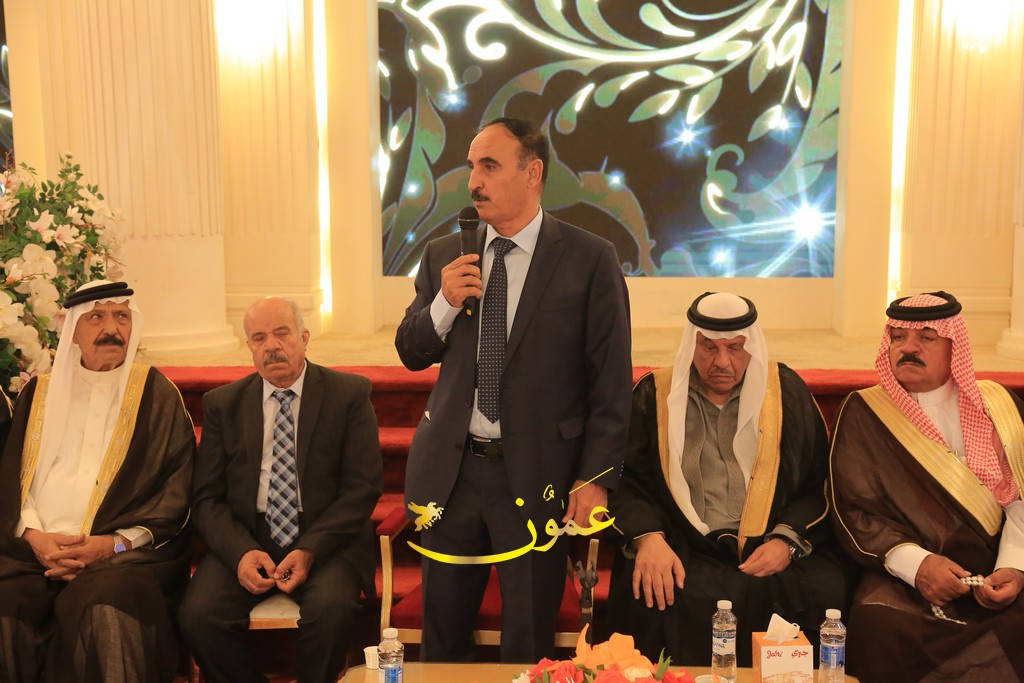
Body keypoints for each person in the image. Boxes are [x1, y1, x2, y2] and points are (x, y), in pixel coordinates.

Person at [395, 117, 633, 662]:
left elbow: (611, 383)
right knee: (441, 638)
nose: (473, 181)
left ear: (533, 173)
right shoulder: (444, 255)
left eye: (489, 166)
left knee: (528, 640)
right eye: (471, 166)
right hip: (451, 475)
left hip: (537, 474)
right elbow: (411, 352)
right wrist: (444, 303)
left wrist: (594, 478)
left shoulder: (589, 259)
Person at [606, 292, 856, 667]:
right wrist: (648, 538)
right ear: (692, 345)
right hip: (685, 546)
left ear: (750, 346)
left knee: (825, 587)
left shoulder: (784, 393)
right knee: (652, 589)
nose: (722, 362)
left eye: (735, 348)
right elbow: (626, 480)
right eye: (709, 347)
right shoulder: (655, 396)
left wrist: (786, 542)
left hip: (769, 543)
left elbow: (819, 483)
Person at [0, 279, 196, 682]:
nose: (112, 328)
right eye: (96, 318)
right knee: (6, 603)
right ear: (72, 330)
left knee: (107, 607)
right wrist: (35, 538)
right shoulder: (38, 393)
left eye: (121, 316)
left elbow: (174, 496)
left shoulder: (157, 394)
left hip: (124, 559)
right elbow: (12, 482)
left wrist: (111, 545)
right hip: (34, 554)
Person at [181, 296, 382, 683]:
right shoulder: (224, 404)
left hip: (325, 537)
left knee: (331, 611)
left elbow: (363, 487)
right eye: (259, 338)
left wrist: (309, 550)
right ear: (249, 347)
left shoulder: (348, 395)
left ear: (304, 337)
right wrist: (241, 552)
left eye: (281, 333)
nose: (271, 346)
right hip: (248, 534)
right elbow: (206, 497)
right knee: (199, 616)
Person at [830, 291, 1024, 681]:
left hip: (993, 570)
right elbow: (855, 510)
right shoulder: (864, 411)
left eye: (926, 338)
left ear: (955, 346)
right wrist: (918, 566)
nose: (908, 348)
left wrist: (1014, 566)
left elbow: (1018, 498)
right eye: (898, 337)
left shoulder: (998, 406)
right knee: (878, 621)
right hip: (904, 573)